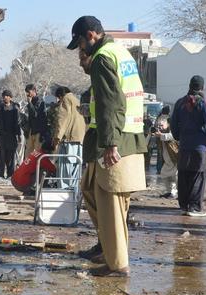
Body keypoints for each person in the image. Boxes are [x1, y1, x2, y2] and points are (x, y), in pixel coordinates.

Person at [67, 16, 147, 277]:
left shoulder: (103, 57)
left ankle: (118, 265)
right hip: (128, 135)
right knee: (93, 190)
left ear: (91, 35)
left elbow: (110, 103)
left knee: (110, 201)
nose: (80, 49)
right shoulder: (120, 52)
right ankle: (109, 252)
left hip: (116, 140)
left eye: (80, 42)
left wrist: (110, 144)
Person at [170, 76, 206, 216]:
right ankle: (195, 207)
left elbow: (173, 124)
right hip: (200, 146)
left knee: (184, 174)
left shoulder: (179, 103)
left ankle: (184, 205)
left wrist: (179, 137)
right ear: (202, 88)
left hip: (184, 145)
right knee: (197, 175)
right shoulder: (202, 103)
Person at [0, 89, 21, 179]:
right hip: (1, 135)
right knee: (1, 156)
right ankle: (0, 174)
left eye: (7, 96)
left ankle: (10, 175)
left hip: (12, 135)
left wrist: (19, 135)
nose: (5, 97)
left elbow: (18, 121)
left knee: (11, 157)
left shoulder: (15, 106)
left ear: (10, 97)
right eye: (4, 96)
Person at [152, 106, 179, 199]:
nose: (160, 127)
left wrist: (162, 135)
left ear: (167, 124)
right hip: (167, 159)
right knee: (164, 174)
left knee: (176, 177)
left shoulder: (172, 130)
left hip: (175, 158)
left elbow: (173, 136)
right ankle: (169, 191)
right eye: (158, 126)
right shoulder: (160, 132)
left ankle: (175, 193)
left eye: (161, 125)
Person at [25, 84, 49, 156]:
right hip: (31, 130)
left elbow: (35, 114)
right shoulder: (31, 101)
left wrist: (29, 103)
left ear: (34, 91)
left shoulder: (40, 102)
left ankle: (37, 167)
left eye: (29, 92)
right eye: (27, 92)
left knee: (37, 153)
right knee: (28, 152)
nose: (28, 94)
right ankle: (28, 167)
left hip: (38, 131)